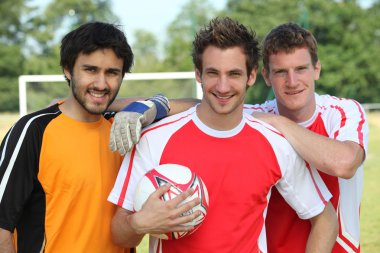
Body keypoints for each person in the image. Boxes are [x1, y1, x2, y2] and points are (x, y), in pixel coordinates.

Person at [107, 17, 337, 253]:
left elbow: (326, 220)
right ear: (198, 74)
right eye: (213, 73)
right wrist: (139, 223)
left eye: (234, 74)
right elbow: (119, 234)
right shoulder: (154, 139)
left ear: (251, 76)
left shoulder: (275, 143)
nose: (223, 86)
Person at [0, 21, 144, 253]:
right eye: (90, 70)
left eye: (112, 73)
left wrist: (150, 106)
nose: (101, 83)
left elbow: (196, 107)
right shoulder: (34, 130)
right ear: (67, 69)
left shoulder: (124, 128)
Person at [243, 22, 369, 253]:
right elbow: (207, 106)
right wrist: (160, 105)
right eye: (281, 72)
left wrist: (279, 123)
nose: (292, 82)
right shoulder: (257, 116)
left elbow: (345, 163)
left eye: (301, 69)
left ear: (317, 69)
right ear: (267, 76)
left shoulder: (342, 112)